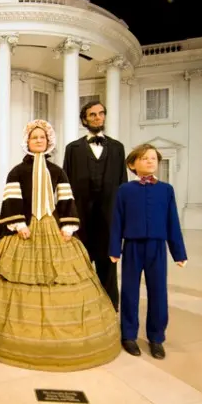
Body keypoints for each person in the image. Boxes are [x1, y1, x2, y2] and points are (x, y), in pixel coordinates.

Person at [0, 119, 120, 372]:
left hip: (51, 225)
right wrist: (18, 223)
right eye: (34, 138)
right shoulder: (16, 171)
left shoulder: (57, 171)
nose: (39, 141)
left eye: (42, 137)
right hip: (24, 227)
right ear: (27, 142)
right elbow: (12, 198)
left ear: (49, 141)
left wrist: (67, 224)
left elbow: (65, 197)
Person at [109, 144, 187, 360]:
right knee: (129, 292)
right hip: (132, 247)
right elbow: (117, 221)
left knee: (158, 292)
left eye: (153, 158)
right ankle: (129, 335)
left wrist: (178, 253)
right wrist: (115, 248)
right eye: (144, 158)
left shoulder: (166, 190)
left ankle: (156, 337)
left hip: (157, 248)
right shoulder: (125, 190)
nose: (150, 161)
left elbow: (173, 222)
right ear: (133, 164)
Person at [63, 101, 127, 311]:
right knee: (79, 264)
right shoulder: (72, 149)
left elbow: (122, 184)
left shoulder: (117, 148)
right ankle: (79, 308)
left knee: (108, 264)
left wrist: (122, 218)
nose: (98, 117)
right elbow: (65, 186)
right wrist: (66, 218)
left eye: (101, 114)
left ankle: (109, 309)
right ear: (85, 119)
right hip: (80, 217)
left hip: (109, 217)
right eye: (93, 114)